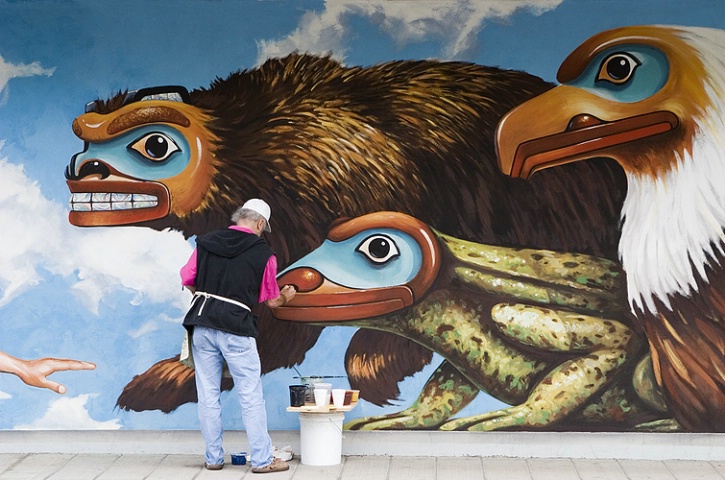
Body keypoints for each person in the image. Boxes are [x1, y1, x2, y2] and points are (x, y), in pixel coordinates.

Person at [180, 198, 296, 473]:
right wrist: (287, 297)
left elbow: (187, 278)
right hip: (236, 327)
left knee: (208, 394)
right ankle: (263, 460)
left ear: (239, 217)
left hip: (202, 322)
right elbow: (271, 301)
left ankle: (213, 459)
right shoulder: (264, 254)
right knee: (250, 394)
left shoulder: (206, 241)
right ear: (259, 223)